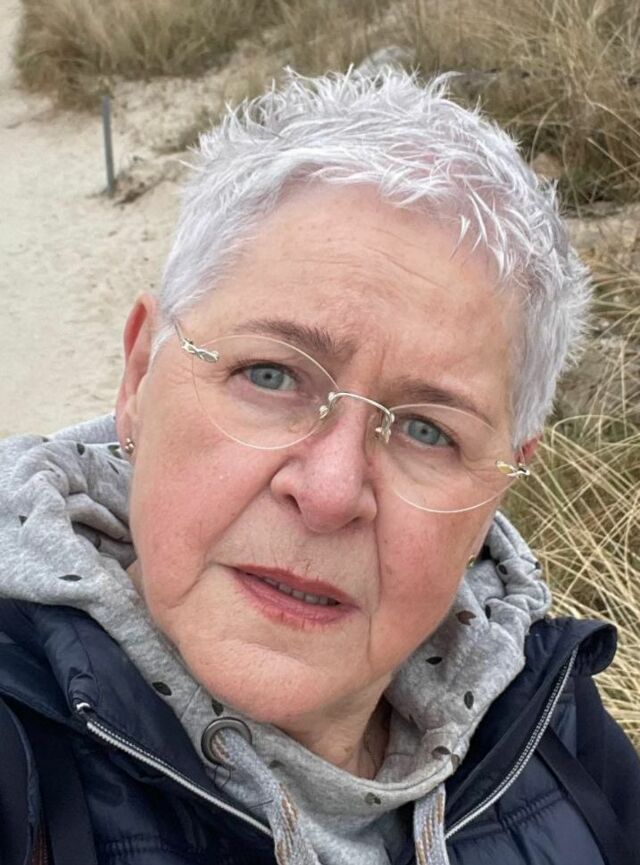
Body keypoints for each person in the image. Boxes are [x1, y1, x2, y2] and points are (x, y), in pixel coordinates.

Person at [0, 69, 637, 865]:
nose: (331, 491)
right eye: (270, 375)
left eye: (427, 430)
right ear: (138, 379)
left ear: (498, 487)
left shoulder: (557, 727)